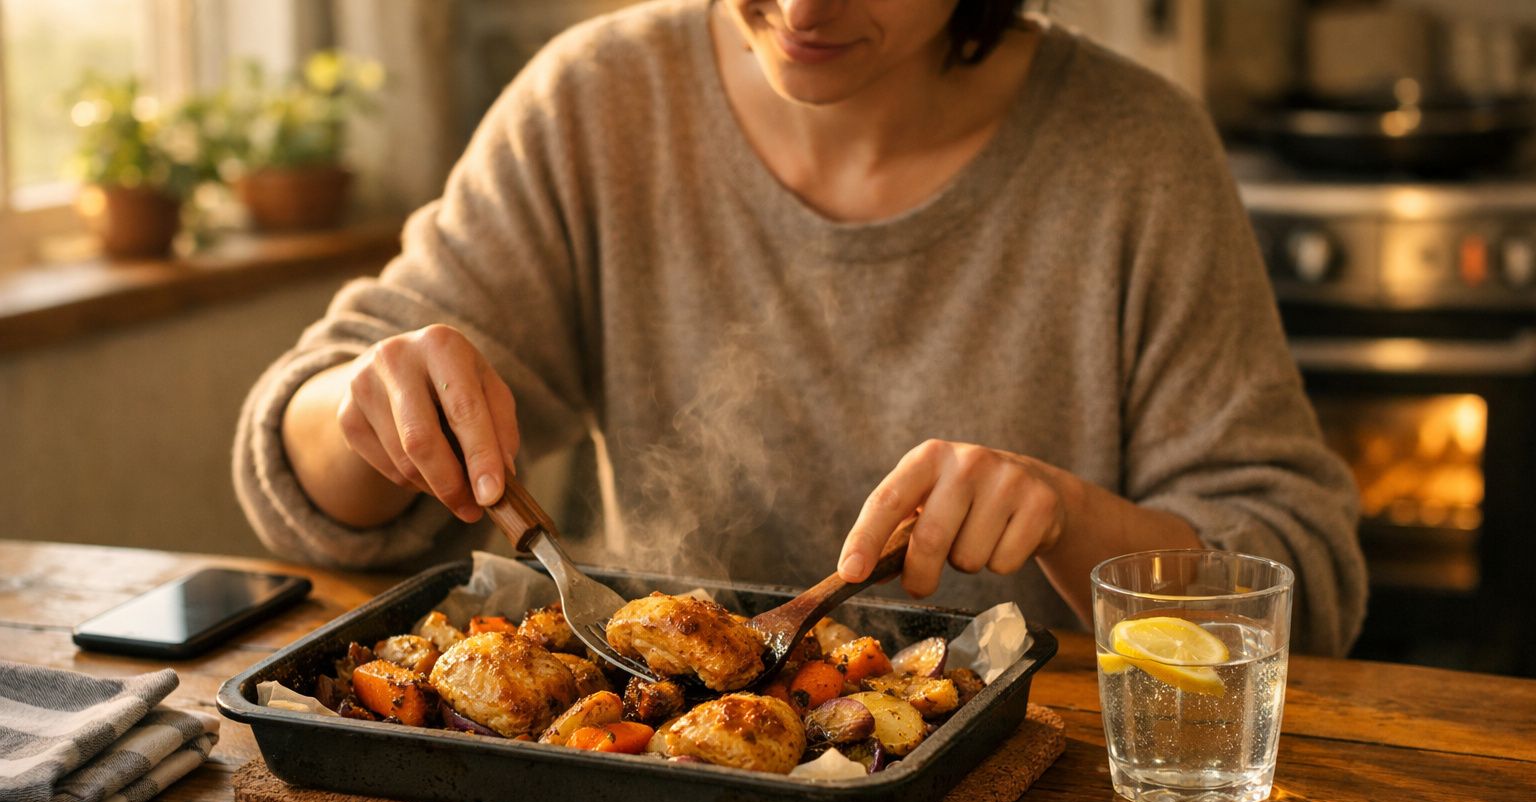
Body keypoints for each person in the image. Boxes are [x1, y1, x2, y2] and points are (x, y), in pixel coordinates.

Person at [235, 0, 1368, 655]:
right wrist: (367, 406)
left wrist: (1070, 519)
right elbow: (303, 476)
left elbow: (1301, 590)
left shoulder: (1137, 152)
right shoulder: (598, 101)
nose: (803, 7)